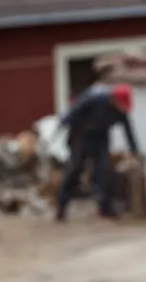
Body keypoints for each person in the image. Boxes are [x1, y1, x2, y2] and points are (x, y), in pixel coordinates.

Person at [55, 82, 140, 221]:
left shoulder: (120, 112)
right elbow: (74, 111)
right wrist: (62, 126)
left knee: (103, 170)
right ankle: (61, 207)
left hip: (101, 137)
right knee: (74, 169)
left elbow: (128, 131)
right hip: (81, 135)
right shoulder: (95, 98)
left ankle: (105, 208)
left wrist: (134, 150)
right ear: (113, 99)